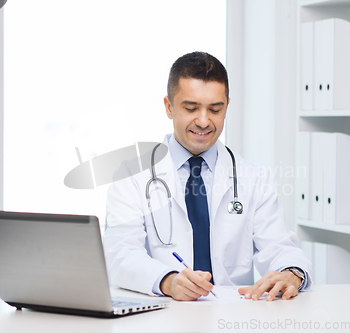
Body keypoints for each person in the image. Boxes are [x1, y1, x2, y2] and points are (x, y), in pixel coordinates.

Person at [103, 51, 312, 302]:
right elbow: (120, 253)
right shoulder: (131, 175)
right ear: (169, 107)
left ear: (227, 107)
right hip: (162, 315)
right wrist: (168, 280)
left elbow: (279, 246)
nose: (204, 121)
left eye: (215, 109)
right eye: (191, 108)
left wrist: (291, 273)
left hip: (233, 317)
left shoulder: (254, 177)